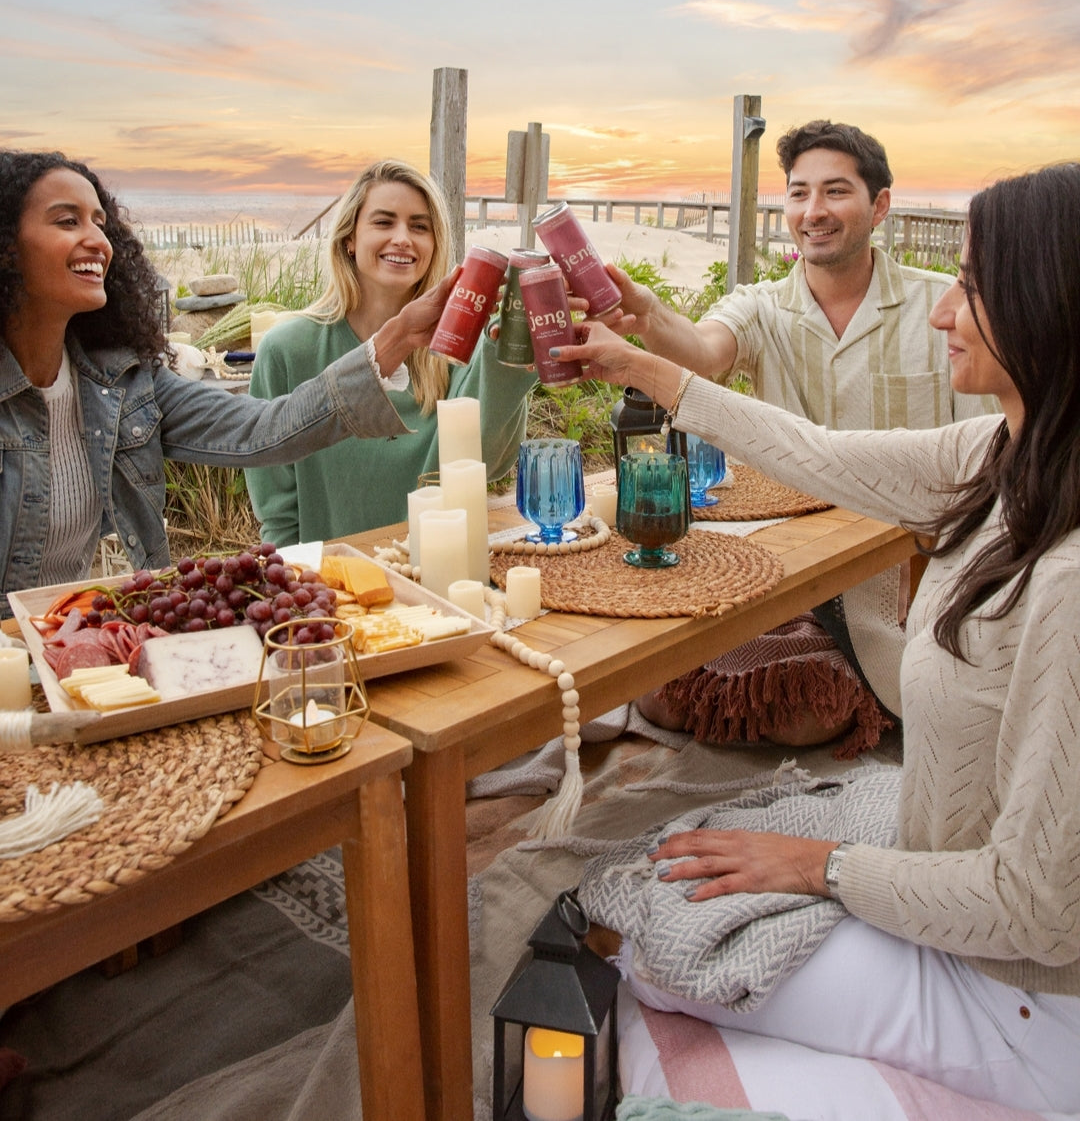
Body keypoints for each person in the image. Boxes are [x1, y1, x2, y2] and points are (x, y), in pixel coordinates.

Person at [553, 164, 1080, 1112]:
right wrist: (644, 372)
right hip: (961, 892)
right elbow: (823, 456)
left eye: (971, 284)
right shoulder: (1009, 456)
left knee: (648, 942)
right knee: (686, 857)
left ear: (1049, 304)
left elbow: (1043, 910)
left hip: (1030, 1003)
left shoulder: (1070, 579)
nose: (942, 311)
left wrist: (819, 869)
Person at [604, 120, 994, 753]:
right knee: (663, 696)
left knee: (808, 713)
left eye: (836, 192)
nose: (814, 212)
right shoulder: (761, 306)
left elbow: (983, 460)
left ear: (880, 205)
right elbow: (702, 354)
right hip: (787, 566)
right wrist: (648, 316)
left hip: (900, 570)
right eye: (798, 193)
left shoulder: (941, 309)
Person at [0, 150, 457, 617]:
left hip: (69, 638)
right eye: (66, 221)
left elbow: (263, 431)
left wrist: (395, 338)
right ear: (6, 245)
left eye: (100, 222)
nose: (97, 239)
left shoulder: (123, 382)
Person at [244, 160, 535, 546]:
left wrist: (512, 356)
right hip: (334, 591)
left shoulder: (458, 345)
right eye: (383, 222)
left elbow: (490, 463)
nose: (403, 238)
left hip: (440, 574)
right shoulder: (288, 350)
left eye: (419, 226)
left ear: (435, 244)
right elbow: (278, 513)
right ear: (349, 237)